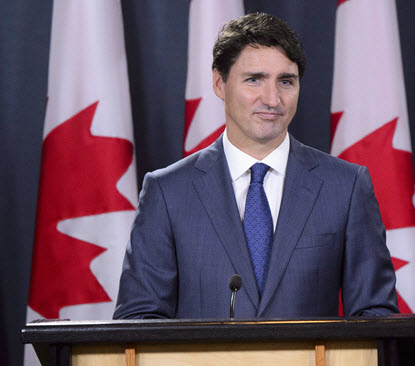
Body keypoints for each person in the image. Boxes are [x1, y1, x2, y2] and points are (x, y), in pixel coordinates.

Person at [114, 13, 398, 319]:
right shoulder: (168, 192)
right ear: (219, 83)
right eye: (254, 79)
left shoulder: (346, 186)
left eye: (285, 81)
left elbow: (376, 317)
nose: (272, 99)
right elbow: (139, 320)